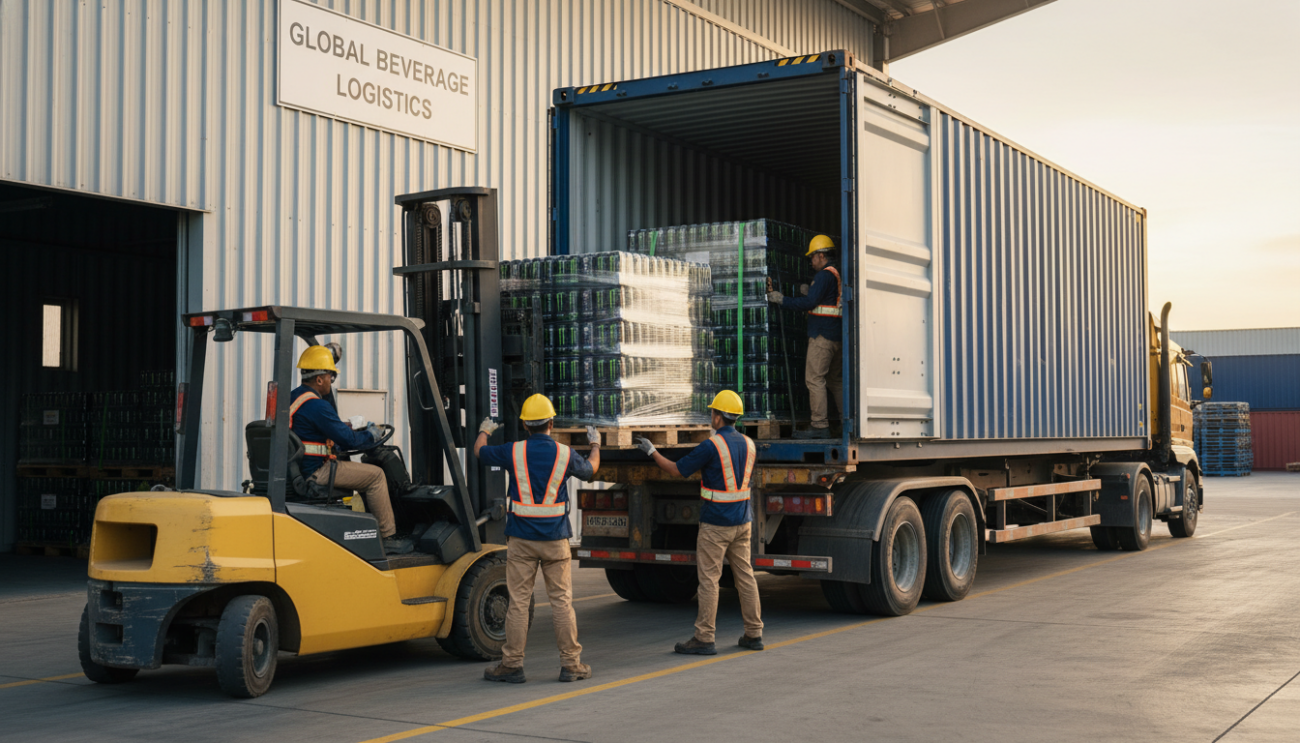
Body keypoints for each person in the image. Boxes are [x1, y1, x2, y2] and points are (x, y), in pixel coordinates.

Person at [473, 394, 601, 684]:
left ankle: (512, 665)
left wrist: (485, 430)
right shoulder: (565, 453)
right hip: (556, 540)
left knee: (518, 602)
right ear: (551, 423)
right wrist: (595, 444)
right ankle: (571, 665)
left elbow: (480, 452)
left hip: (521, 540)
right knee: (561, 602)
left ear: (524, 426)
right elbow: (591, 470)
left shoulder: (513, 451)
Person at [635, 390, 764, 655]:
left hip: (716, 524)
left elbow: (677, 470)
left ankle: (704, 637)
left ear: (718, 417)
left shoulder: (711, 446)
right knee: (746, 577)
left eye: (712, 413)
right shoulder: (750, 444)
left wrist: (652, 451)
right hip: (743, 521)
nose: (711, 417)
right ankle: (754, 634)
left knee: (708, 580)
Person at [289, 345, 414, 555]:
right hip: (316, 473)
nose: (331, 381)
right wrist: (372, 434)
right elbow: (349, 441)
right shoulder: (317, 406)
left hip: (297, 470)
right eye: (330, 376)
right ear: (319, 379)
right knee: (376, 476)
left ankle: (367, 529)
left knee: (359, 474)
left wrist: (341, 431)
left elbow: (313, 434)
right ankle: (388, 537)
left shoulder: (293, 398)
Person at [767, 234, 843, 439]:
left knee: (814, 379)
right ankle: (846, 421)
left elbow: (810, 304)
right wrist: (811, 291)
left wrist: (783, 300)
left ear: (821, 255)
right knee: (835, 380)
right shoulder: (837, 275)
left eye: (812, 257)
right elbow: (822, 300)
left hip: (822, 337)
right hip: (837, 337)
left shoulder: (824, 276)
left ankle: (819, 426)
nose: (811, 262)